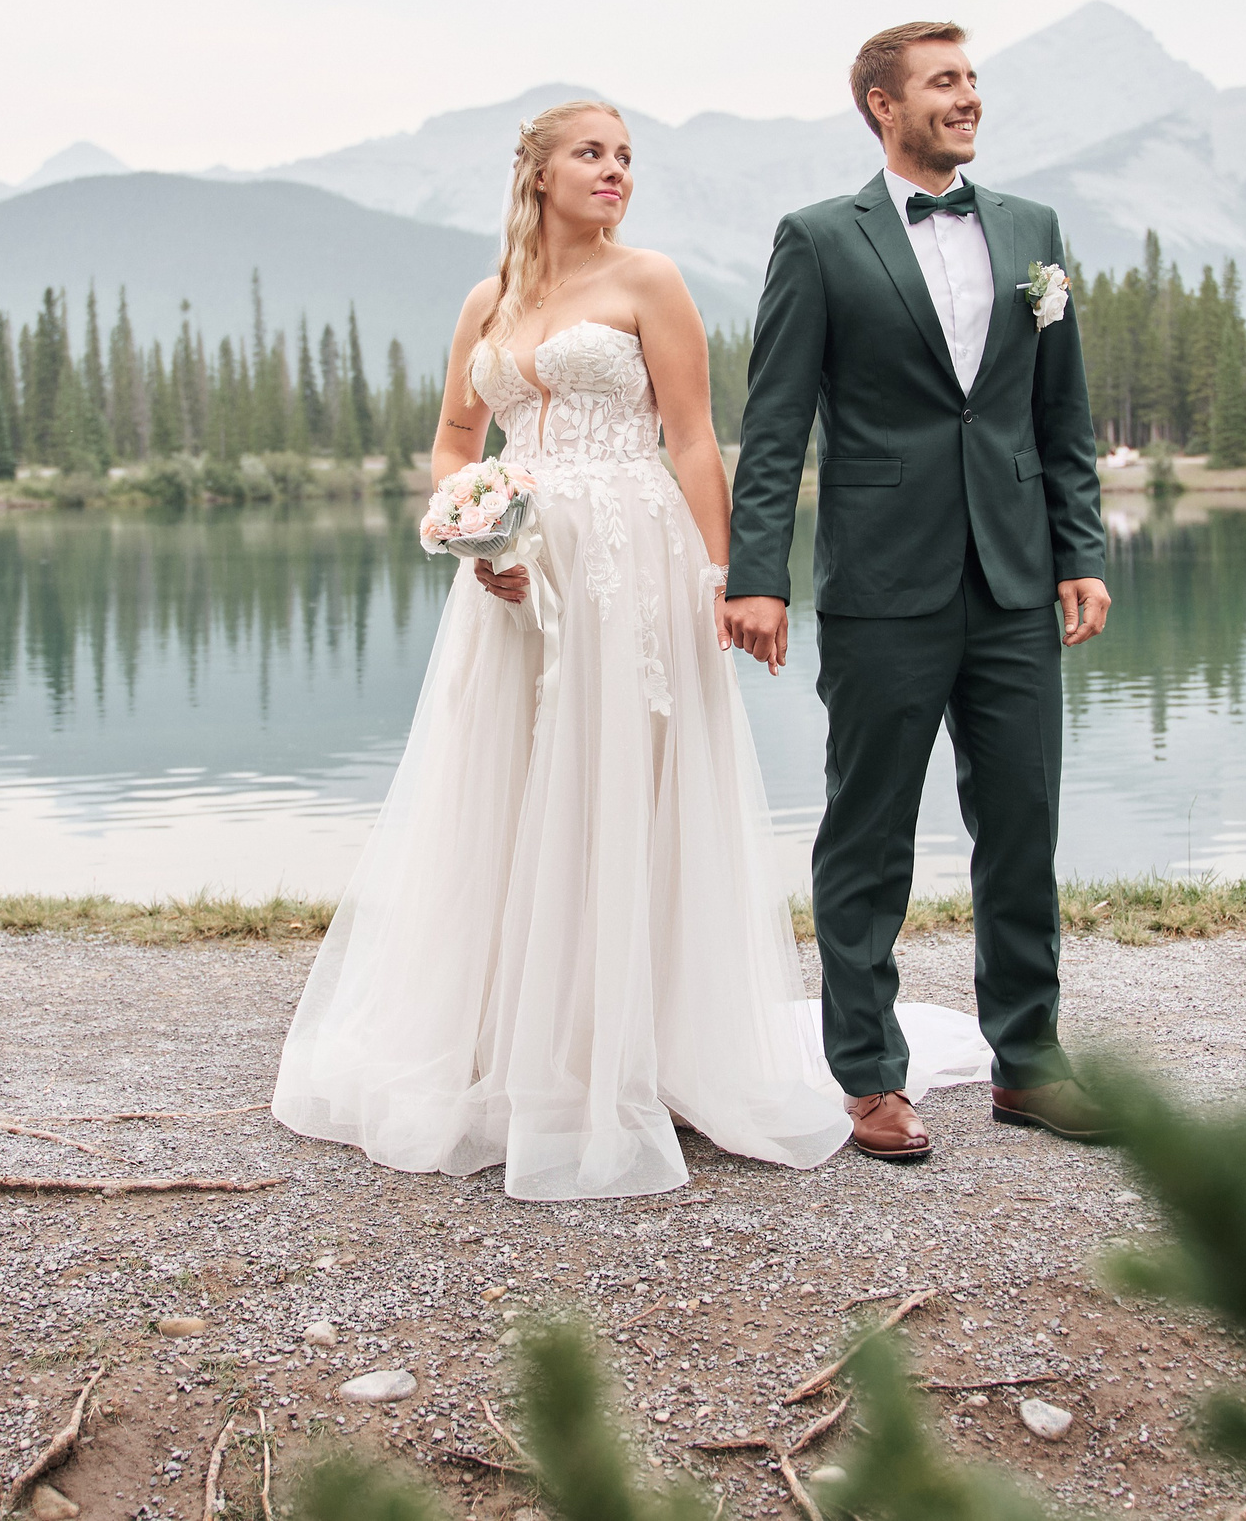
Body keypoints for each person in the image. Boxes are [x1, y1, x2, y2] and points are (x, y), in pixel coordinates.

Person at [272, 100, 985, 1201]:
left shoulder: (649, 280)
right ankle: (507, 1043)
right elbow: (459, 438)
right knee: (505, 788)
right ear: (538, 174)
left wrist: (728, 578)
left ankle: (638, 1046)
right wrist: (474, 532)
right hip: (517, 579)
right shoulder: (488, 301)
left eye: (624, 158)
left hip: (631, 568)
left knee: (622, 787)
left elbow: (696, 435)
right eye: (592, 155)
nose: (615, 172)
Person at [720, 22, 1113, 1166]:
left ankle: (1030, 1062)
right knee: (868, 831)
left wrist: (1078, 550)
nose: (968, 98)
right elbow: (776, 424)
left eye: (973, 80)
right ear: (881, 107)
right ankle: (869, 1076)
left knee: (1022, 822)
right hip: (883, 582)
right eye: (944, 82)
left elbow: (1061, 414)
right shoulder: (817, 240)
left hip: (1013, 576)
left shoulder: (1032, 233)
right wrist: (759, 579)